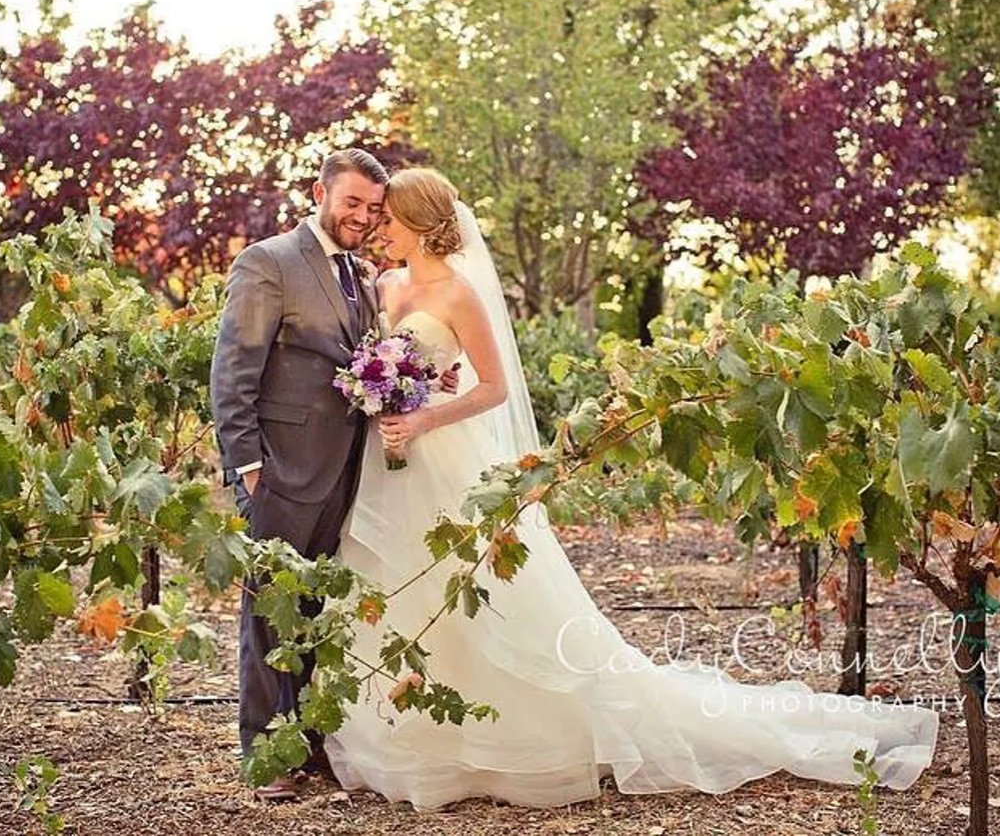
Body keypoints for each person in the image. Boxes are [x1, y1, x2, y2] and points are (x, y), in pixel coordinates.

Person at [323, 167, 939, 810]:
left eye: (388, 218)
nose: (377, 228)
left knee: (479, 593)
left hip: (444, 458)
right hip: (385, 460)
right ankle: (407, 734)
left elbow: (493, 388)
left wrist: (422, 416)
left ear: (419, 224)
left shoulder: (458, 294)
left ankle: (505, 739)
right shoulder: (383, 283)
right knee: (395, 583)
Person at [210, 148, 389, 802]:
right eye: (352, 203)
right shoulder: (269, 262)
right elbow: (233, 374)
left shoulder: (360, 275)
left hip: (343, 473)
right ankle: (267, 759)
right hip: (279, 473)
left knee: (316, 610)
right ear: (320, 192)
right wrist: (247, 469)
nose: (363, 217)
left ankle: (311, 744)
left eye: (373, 208)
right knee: (270, 615)